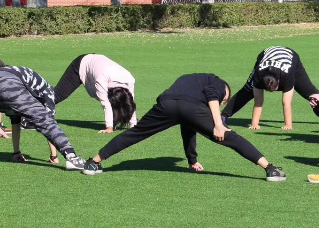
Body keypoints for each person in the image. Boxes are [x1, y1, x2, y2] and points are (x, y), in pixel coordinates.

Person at [81, 73, 287, 181]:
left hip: (167, 103)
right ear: (226, 92)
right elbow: (212, 97)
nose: (222, 102)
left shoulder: (189, 80)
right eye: (225, 100)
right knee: (230, 137)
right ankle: (270, 169)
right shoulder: (217, 83)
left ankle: (93, 162)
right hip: (188, 106)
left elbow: (187, 124)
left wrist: (192, 160)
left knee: (134, 134)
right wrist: (218, 124)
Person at [221, 46, 319, 130]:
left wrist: (288, 125)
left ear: (279, 82)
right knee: (248, 90)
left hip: (290, 57)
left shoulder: (287, 74)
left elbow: (286, 103)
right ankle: (223, 116)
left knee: (311, 93)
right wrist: (254, 124)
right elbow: (258, 102)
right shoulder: (258, 75)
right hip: (266, 54)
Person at [53, 54, 138, 133]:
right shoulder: (102, 78)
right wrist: (109, 127)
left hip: (97, 64)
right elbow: (105, 104)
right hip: (81, 64)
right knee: (57, 96)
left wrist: (133, 125)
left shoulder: (130, 79)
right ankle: (39, 104)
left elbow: (130, 103)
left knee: (118, 105)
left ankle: (114, 121)